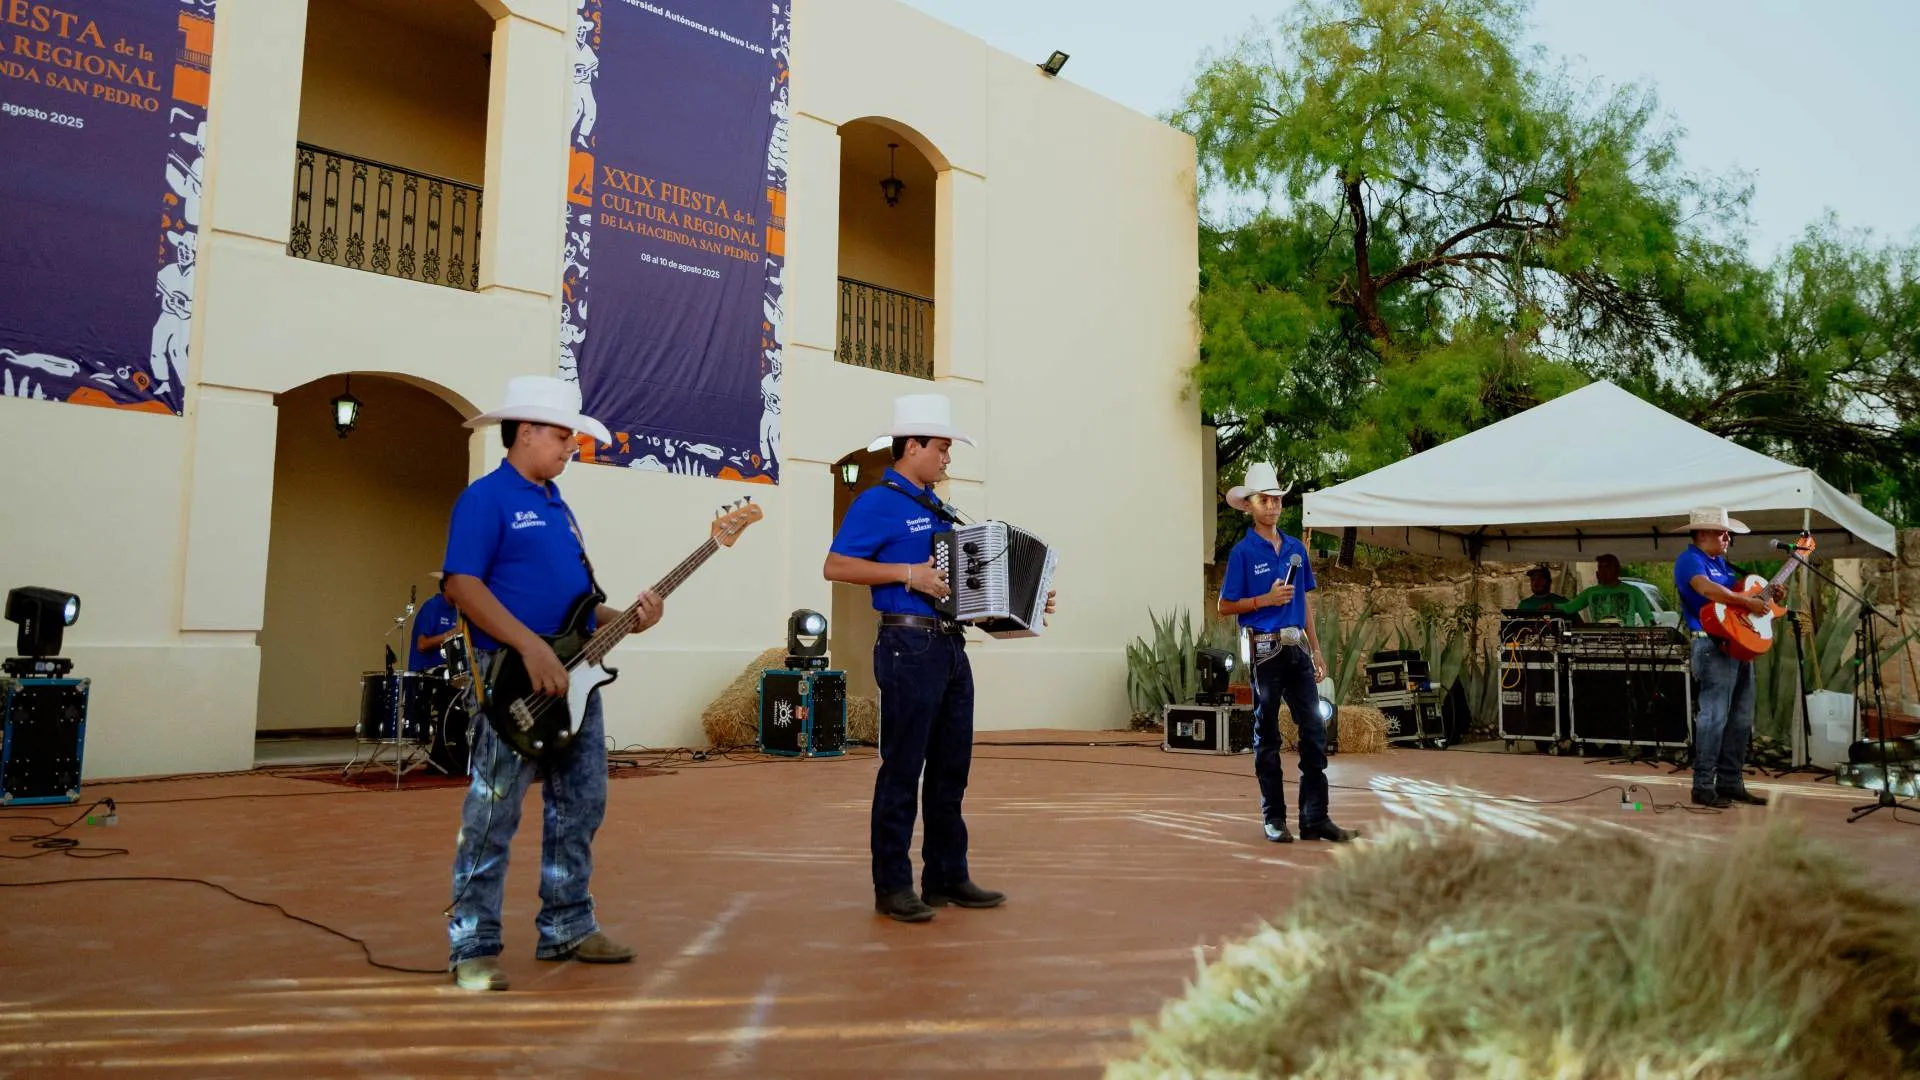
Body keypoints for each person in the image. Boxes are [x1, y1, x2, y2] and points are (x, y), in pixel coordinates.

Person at [442, 376, 665, 991]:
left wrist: (626, 619)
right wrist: (530, 646)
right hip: (514, 675)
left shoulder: (559, 507)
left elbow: (580, 604)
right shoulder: (486, 499)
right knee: (493, 810)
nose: (572, 446)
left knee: (582, 801)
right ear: (527, 432)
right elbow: (462, 585)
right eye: (563, 434)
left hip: (573, 678)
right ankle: (473, 943)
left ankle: (567, 925)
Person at [823, 393, 1054, 923]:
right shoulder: (878, 501)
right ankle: (893, 885)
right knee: (903, 767)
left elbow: (968, 585)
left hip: (950, 644)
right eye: (943, 448)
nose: (948, 459)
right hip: (906, 644)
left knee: (952, 768)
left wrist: (1024, 599)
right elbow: (835, 566)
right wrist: (908, 574)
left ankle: (946, 875)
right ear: (913, 446)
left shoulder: (939, 508)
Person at [1216, 463, 1359, 844]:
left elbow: (1305, 603)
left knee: (1314, 731)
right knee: (1268, 736)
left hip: (1297, 649)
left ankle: (1315, 818)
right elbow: (1224, 606)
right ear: (1249, 506)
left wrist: (1316, 648)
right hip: (1264, 650)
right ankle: (1274, 818)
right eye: (1265, 500)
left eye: (1277, 499)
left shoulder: (1296, 548)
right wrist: (1264, 599)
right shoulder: (1243, 553)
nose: (1273, 507)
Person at [1672, 507, 1778, 809]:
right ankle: (1703, 785)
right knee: (1714, 717)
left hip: (1736, 644)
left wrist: (1769, 595)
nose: (1728, 537)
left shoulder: (1721, 563)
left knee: (1741, 719)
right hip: (1710, 644)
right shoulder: (1690, 560)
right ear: (1702, 533)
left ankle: (1730, 782)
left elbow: (1738, 605)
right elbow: (1707, 590)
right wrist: (1747, 601)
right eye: (1722, 532)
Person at [1555, 554, 1656, 626]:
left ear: (1617, 570)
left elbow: (1648, 618)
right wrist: (1553, 605)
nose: (1603, 571)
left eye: (1607, 567)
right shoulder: (1590, 592)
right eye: (1600, 567)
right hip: (1598, 642)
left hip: (1626, 643)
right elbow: (1570, 608)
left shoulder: (1633, 591)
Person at [409, 573, 462, 673]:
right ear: (446, 585)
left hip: (443, 670)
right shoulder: (432, 606)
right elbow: (422, 645)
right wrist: (450, 635)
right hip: (425, 673)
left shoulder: (454, 610)